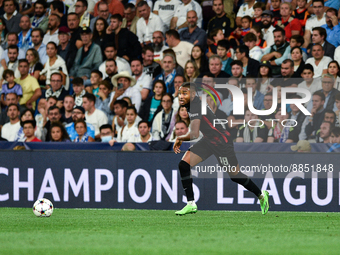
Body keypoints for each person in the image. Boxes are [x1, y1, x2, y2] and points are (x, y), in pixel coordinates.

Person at [173, 83, 269, 215]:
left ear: (193, 94)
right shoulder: (192, 104)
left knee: (235, 176)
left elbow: (194, 134)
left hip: (221, 142)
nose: (181, 96)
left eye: (185, 93)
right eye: (180, 93)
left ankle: (261, 195)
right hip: (208, 140)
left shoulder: (195, 106)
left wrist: (180, 138)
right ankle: (191, 203)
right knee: (184, 165)